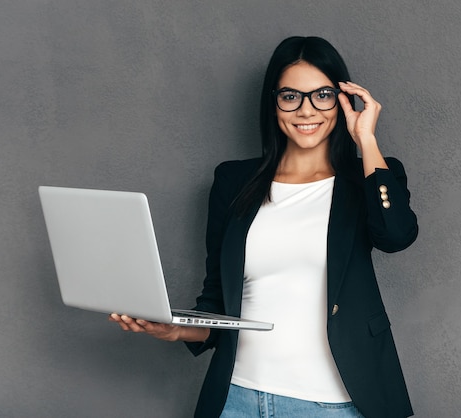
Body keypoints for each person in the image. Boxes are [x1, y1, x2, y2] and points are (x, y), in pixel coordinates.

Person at [110, 36, 418, 418]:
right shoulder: (233, 181)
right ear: (274, 104)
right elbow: (219, 304)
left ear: (343, 100)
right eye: (291, 96)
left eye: (322, 95)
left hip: (332, 403)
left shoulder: (367, 178)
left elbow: (396, 235)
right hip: (237, 397)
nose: (306, 110)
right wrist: (173, 329)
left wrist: (366, 140)